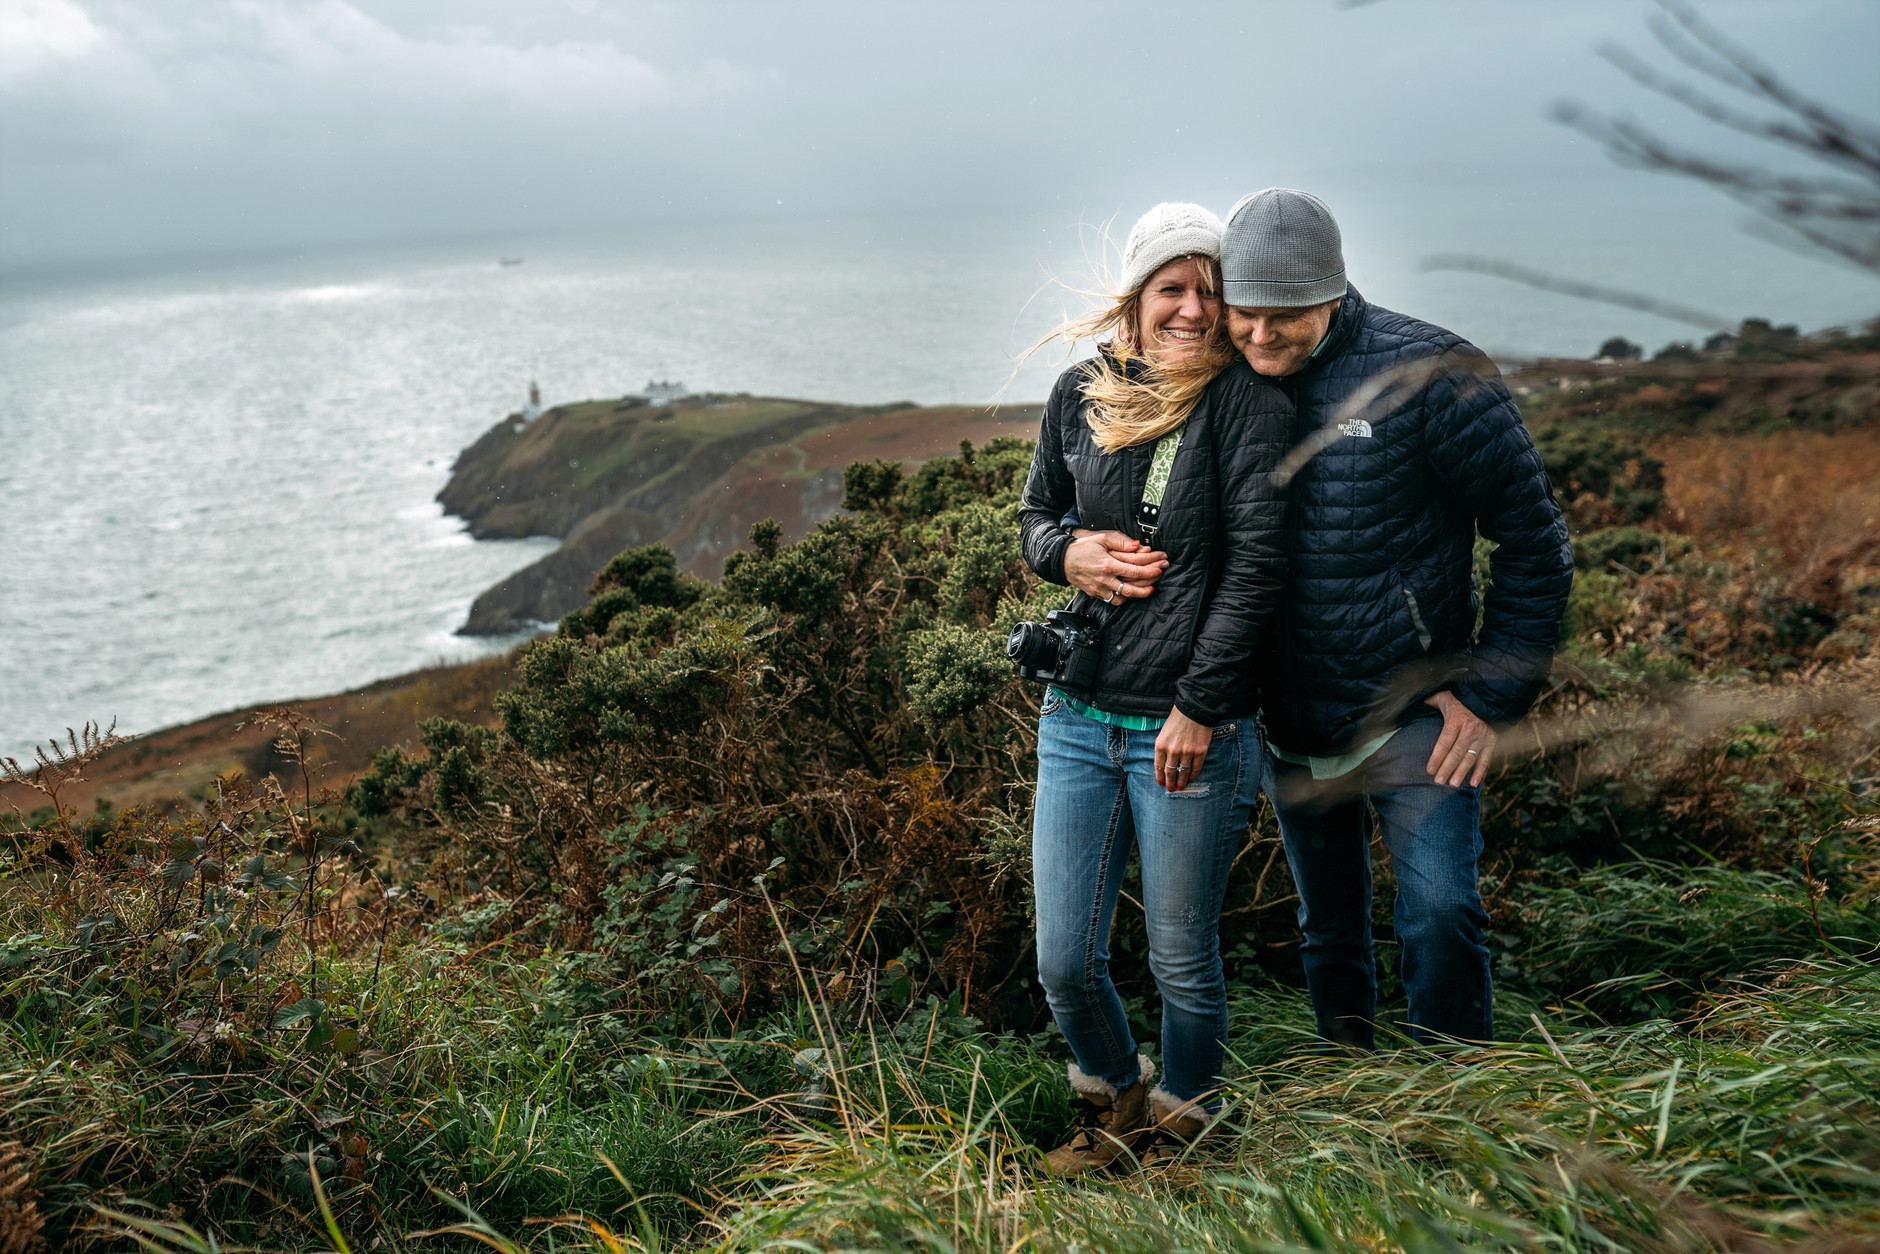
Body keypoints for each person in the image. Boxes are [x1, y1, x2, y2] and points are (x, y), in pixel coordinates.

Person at [1218, 188, 1574, 1050]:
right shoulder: (1219, 379)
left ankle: (1456, 1108)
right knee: (1328, 930)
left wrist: (1492, 699)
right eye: (1245, 313)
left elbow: (1535, 542)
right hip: (1287, 718)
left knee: (1441, 915)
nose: (1262, 336)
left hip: (1415, 713)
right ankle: (1361, 1098)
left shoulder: (1432, 374)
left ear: (1335, 292)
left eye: (1287, 315)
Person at [1017, 202, 1293, 1173]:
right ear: (1134, 298)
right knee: (1063, 960)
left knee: (1181, 958)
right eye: (1171, 288)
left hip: (1187, 728)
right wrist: (1068, 554)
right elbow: (1034, 515)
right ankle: (1113, 1094)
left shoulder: (1246, 405)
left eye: (1208, 291)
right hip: (1077, 717)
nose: (1191, 308)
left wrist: (1199, 708)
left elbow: (1256, 570)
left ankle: (1183, 1125)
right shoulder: (1079, 392)